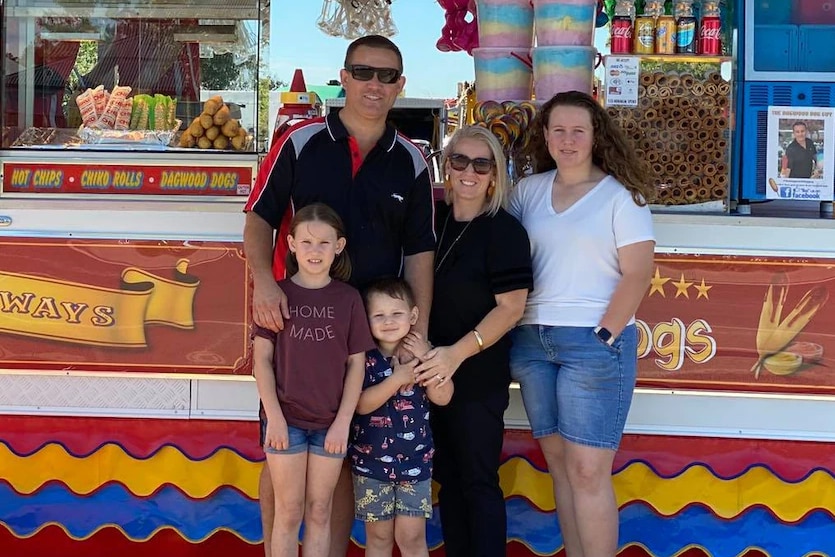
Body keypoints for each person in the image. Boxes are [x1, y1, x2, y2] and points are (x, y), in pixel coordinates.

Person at [243, 34, 435, 557]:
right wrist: (263, 283)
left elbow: (420, 253)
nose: (375, 84)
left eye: (387, 76)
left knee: (348, 453)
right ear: (344, 77)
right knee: (278, 450)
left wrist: (417, 332)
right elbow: (259, 219)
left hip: (372, 333)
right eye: (363, 72)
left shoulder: (413, 162)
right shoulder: (300, 141)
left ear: (401, 86)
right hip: (297, 325)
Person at [508, 91, 655, 557]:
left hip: (593, 344)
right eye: (558, 130)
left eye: (578, 130)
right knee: (560, 465)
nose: (567, 140)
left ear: (596, 137)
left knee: (589, 471)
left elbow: (638, 273)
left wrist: (607, 333)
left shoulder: (621, 197)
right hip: (532, 341)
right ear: (545, 137)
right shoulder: (526, 192)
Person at [403, 125, 533, 556]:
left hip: (476, 375)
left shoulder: (505, 231)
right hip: (424, 370)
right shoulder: (430, 222)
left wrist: (454, 355)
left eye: (482, 164)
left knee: (478, 481)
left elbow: (511, 308)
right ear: (446, 165)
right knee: (448, 481)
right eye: (460, 161)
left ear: (495, 175)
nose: (470, 172)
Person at [252, 203, 375, 557]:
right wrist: (273, 417)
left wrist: (342, 423)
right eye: (306, 242)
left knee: (320, 511)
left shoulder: (348, 299)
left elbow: (356, 365)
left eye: (324, 243)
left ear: (339, 246)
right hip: (285, 420)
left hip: (330, 423)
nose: (315, 251)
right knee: (288, 512)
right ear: (291, 244)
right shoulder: (276, 294)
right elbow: (261, 360)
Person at [349, 278, 453, 557]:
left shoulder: (423, 356)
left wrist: (428, 358)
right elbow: (360, 405)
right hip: (371, 466)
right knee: (379, 538)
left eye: (396, 313)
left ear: (413, 316)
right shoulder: (364, 359)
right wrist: (397, 380)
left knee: (412, 537)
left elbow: (443, 397)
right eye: (379, 315)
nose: (389, 321)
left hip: (415, 465)